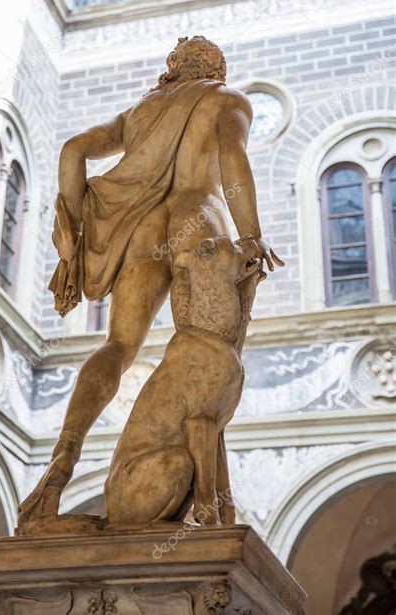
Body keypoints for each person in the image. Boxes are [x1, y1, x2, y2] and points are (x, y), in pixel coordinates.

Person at [18, 36, 284, 526]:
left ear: (173, 69)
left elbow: (73, 151)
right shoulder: (228, 100)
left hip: (140, 229)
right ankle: (213, 504)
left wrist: (72, 241)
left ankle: (61, 463)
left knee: (118, 346)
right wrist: (252, 236)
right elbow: (233, 164)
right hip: (196, 223)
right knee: (208, 360)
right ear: (216, 69)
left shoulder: (140, 113)